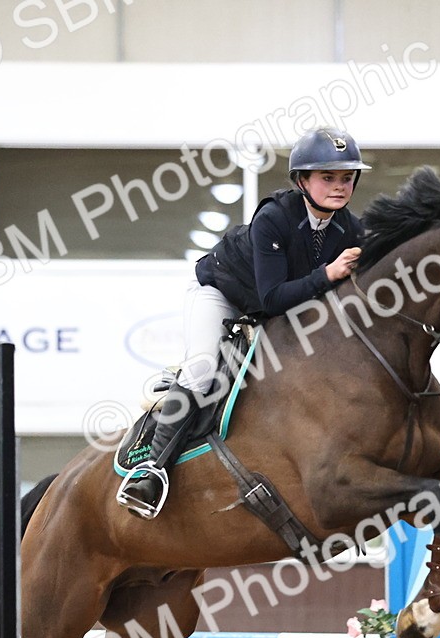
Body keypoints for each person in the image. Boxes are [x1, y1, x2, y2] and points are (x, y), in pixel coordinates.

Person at [116, 126, 371, 518]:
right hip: (222, 295)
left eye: (346, 178)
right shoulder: (274, 216)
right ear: (302, 180)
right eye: (327, 177)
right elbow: (272, 297)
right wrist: (329, 274)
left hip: (275, 312)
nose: (339, 186)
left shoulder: (349, 228)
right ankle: (151, 469)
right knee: (203, 370)